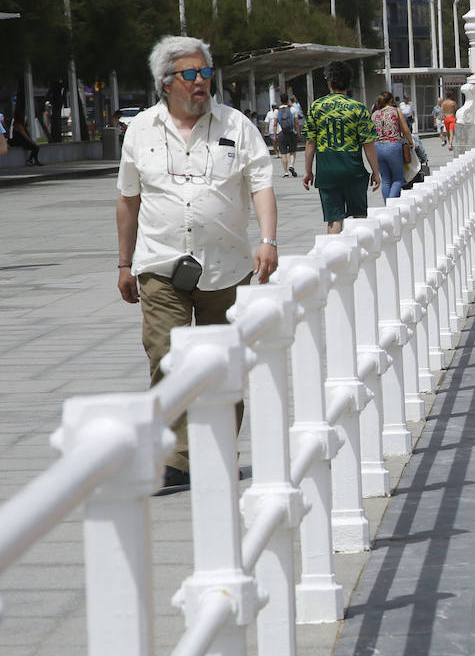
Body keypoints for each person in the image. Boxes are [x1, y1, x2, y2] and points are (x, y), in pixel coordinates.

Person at [115, 35, 278, 490]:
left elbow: (262, 183)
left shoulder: (237, 125)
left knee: (224, 362)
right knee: (165, 356)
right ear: (167, 83)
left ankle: (217, 446)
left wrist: (267, 240)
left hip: (226, 266)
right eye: (190, 75)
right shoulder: (141, 130)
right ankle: (173, 456)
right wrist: (124, 263)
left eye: (206, 73)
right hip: (160, 263)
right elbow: (128, 200)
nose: (201, 82)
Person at [302, 60, 380, 233]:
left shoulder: (316, 107)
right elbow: (368, 144)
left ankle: (334, 257)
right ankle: (360, 257)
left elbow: (310, 143)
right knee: (360, 218)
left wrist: (308, 171)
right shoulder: (358, 108)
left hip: (327, 169)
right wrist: (376, 171)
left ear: (329, 82)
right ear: (349, 82)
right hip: (353, 169)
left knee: (334, 220)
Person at [370, 91, 413, 201]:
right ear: (391, 100)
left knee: (386, 180)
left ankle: (387, 206)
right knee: (398, 179)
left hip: (377, 147)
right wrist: (412, 143)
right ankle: (391, 206)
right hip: (393, 146)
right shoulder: (396, 111)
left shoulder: (374, 114)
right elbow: (405, 130)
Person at [273, 101, 299, 177]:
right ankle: (291, 165)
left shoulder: (276, 111)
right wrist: (298, 133)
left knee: (283, 153)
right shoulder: (292, 109)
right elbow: (296, 122)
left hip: (281, 133)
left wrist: (275, 135)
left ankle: (286, 172)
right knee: (292, 151)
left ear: (280, 100)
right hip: (291, 133)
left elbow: (275, 124)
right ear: (287, 100)